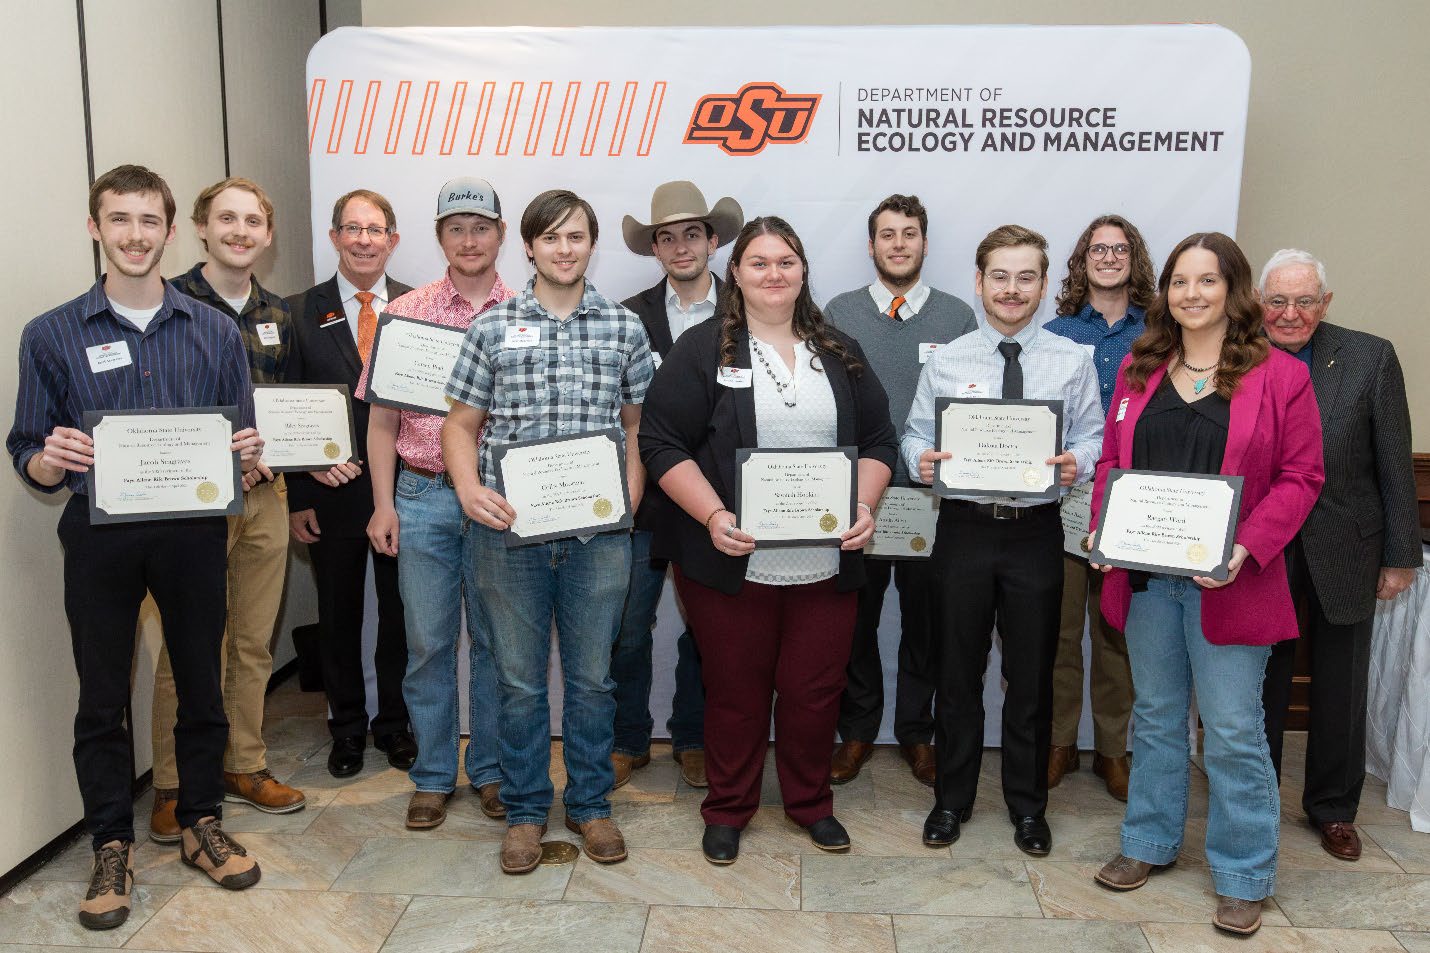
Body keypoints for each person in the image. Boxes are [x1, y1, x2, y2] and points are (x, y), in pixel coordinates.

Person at [6, 165, 264, 929]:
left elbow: (241, 442)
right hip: (98, 537)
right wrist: (49, 460)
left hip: (191, 534)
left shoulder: (215, 329)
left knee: (201, 682)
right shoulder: (50, 333)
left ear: (170, 230)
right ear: (95, 228)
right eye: (119, 220)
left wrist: (249, 455)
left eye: (149, 221)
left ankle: (200, 821)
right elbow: (27, 449)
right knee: (101, 695)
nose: (135, 235)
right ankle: (111, 842)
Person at [639, 216, 897, 865]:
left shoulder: (839, 351)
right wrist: (710, 517)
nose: (774, 273)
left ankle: (811, 802)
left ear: (804, 270)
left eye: (786, 260)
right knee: (736, 691)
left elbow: (879, 441)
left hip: (823, 563)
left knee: (814, 692)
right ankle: (728, 808)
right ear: (737, 273)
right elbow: (660, 441)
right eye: (759, 262)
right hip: (733, 562)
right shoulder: (701, 351)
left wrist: (864, 503)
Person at [1089, 233, 1324, 936]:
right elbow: (1110, 462)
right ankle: (1149, 843)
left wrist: (1247, 548)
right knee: (1156, 717)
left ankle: (1244, 872)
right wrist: (1104, 531)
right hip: (1148, 581)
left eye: (1208, 280)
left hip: (1232, 581)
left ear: (1233, 289)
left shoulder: (1281, 375)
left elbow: (1302, 477)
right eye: (1180, 281)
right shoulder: (1141, 367)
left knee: (1229, 730)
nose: (1192, 294)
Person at [442, 189, 654, 874]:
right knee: (519, 682)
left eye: (577, 237)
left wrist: (630, 497)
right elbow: (458, 425)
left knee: (593, 680)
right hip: (508, 537)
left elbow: (635, 426)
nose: (565, 248)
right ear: (528, 246)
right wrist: (470, 488)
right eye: (552, 237)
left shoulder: (624, 328)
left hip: (599, 538)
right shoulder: (492, 327)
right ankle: (529, 811)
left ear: (593, 245)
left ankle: (591, 804)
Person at [903, 224, 1103, 856]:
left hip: (1034, 534)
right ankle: (952, 800)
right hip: (961, 530)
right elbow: (912, 434)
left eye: (1026, 277)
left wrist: (1079, 461)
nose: (1012, 290)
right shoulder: (948, 358)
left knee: (1031, 677)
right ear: (980, 282)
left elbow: (1095, 435)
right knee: (957, 673)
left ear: (1043, 285)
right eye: (1000, 276)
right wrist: (921, 461)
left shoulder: (1073, 360)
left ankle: (1027, 806)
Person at [146, 177, 306, 844]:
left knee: (251, 639)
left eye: (253, 221)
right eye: (226, 218)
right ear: (202, 228)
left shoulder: (279, 313)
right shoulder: (169, 303)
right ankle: (174, 782)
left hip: (266, 495)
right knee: (187, 645)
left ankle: (244, 764)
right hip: (193, 501)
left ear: (267, 236)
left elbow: (295, 404)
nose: (240, 231)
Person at [358, 177, 515, 830]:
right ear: (439, 236)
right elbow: (380, 422)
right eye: (456, 228)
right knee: (425, 644)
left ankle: (492, 770)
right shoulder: (408, 311)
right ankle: (431, 774)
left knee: (497, 643)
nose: (469, 239)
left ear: (501, 234)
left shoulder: (529, 311)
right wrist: (383, 504)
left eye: (481, 227)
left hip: (501, 501)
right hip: (421, 496)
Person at [1257, 249, 1418, 860]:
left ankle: (1332, 808)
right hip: (1262, 547)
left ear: (1326, 304)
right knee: (1258, 681)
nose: (1290, 313)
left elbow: (1393, 462)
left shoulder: (1369, 357)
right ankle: (1256, 796)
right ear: (1259, 303)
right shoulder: (1240, 355)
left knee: (1340, 685)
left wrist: (1400, 556)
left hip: (1347, 547)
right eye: (1277, 300)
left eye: (1304, 301)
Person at [824, 194, 976, 787]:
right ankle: (857, 731)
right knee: (855, 623)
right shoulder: (838, 312)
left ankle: (917, 733)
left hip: (928, 499)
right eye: (886, 235)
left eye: (909, 233)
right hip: (858, 497)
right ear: (871, 245)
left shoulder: (958, 316)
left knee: (926, 624)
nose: (898, 244)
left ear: (925, 243)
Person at [613, 180, 744, 789]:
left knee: (708, 626)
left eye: (693, 234)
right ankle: (629, 739)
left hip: (713, 497)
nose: (681, 247)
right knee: (627, 625)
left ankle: (694, 735)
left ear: (713, 241)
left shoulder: (747, 311)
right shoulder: (627, 315)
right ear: (656, 249)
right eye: (667, 238)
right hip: (642, 496)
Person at [285, 189, 415, 778]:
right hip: (331, 493)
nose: (364, 239)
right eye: (352, 228)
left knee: (401, 615)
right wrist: (298, 494)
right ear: (335, 237)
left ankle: (394, 724)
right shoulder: (296, 313)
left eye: (376, 229)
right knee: (338, 616)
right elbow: (282, 410)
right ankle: (346, 729)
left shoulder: (420, 307)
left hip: (408, 489)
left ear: (392, 240)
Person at [1041, 214, 1155, 800]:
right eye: (1097, 248)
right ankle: (1060, 742)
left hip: (1134, 501)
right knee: (1060, 631)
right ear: (1082, 260)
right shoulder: (1057, 333)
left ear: (1133, 258)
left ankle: (1113, 749)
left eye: (1119, 248)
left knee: (1116, 632)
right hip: (1066, 498)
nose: (1109, 257)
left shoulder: (1160, 332)